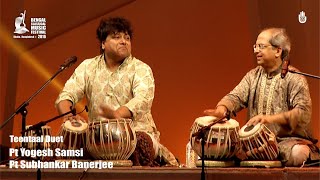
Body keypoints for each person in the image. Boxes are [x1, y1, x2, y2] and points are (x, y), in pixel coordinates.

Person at [55, 17, 178, 166]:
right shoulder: (88, 67)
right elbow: (67, 95)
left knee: (140, 142)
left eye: (127, 38)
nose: (123, 41)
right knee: (59, 148)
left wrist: (117, 115)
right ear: (103, 43)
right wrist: (68, 115)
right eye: (116, 37)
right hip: (98, 138)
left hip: (135, 133)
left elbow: (142, 99)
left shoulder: (141, 69)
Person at [203, 27, 319, 166]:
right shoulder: (252, 76)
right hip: (253, 143)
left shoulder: (294, 78)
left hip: (286, 142)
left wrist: (268, 119)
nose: (256, 51)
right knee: (219, 148)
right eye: (255, 46)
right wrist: (222, 108)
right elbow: (235, 97)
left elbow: (303, 113)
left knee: (299, 153)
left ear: (278, 50)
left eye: (261, 46)